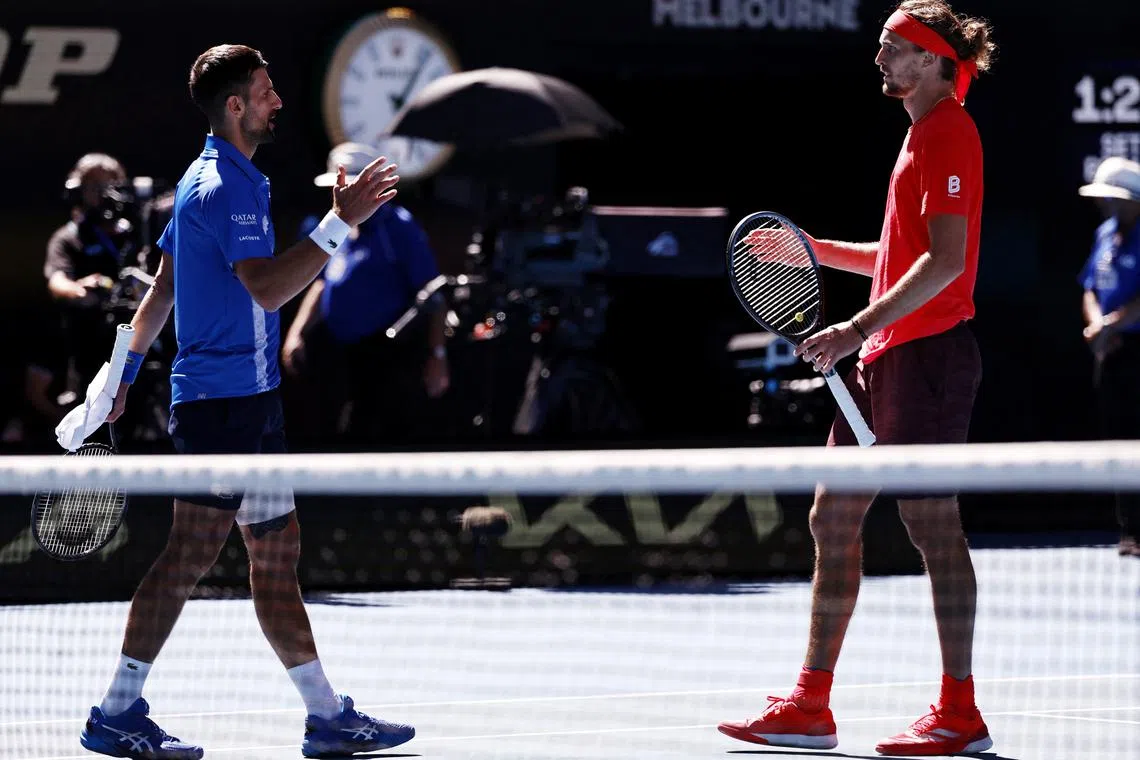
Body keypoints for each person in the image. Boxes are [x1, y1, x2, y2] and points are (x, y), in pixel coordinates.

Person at [78, 44, 411, 759]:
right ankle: (116, 709)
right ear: (236, 105)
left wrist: (121, 375)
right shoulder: (222, 188)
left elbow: (164, 289)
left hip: (256, 405)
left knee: (275, 554)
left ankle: (326, 716)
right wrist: (338, 223)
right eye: (266, 91)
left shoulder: (220, 179)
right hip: (219, 408)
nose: (278, 102)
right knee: (188, 557)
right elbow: (265, 288)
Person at [717, 2, 996, 755]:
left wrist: (855, 328)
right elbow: (897, 253)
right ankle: (810, 704)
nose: (880, 60)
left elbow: (945, 264)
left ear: (938, 61)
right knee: (831, 519)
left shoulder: (949, 131)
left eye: (895, 48)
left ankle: (959, 712)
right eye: (880, 47)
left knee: (931, 528)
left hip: (928, 357)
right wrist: (811, 250)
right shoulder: (919, 136)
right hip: (883, 360)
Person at [282, 142, 449, 449]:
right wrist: (297, 332)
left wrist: (437, 356)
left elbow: (434, 294)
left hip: (386, 357)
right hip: (336, 352)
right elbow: (321, 283)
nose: (340, 196)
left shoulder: (399, 228)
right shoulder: (327, 226)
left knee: (376, 434)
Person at [1077, 156, 1140, 557]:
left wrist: (1110, 326)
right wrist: (1099, 325)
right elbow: (1089, 289)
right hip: (1111, 354)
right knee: (1119, 441)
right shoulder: (1104, 235)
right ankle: (1131, 529)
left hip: (1133, 349)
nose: (1105, 205)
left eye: (1113, 199)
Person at [44, 153, 134, 397]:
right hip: (90, 344)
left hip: (134, 340)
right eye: (94, 187)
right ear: (78, 191)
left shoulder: (134, 234)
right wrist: (80, 288)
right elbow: (57, 281)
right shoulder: (67, 238)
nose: (103, 194)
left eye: (110, 186)